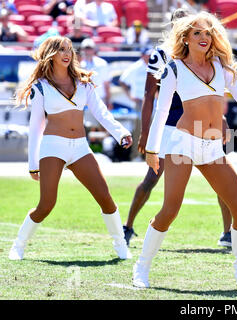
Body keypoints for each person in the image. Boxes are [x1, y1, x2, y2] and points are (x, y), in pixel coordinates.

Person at [132, 11, 237, 289]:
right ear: (185, 37)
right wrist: (152, 149)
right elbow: (162, 110)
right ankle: (142, 267)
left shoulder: (222, 67)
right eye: (196, 32)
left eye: (207, 32)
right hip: (181, 142)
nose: (203, 37)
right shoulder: (174, 68)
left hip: (212, 144)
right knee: (170, 209)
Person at [9, 36, 132, 261]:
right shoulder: (41, 87)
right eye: (61, 50)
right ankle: (19, 245)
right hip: (53, 146)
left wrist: (120, 132)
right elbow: (36, 126)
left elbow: (101, 111)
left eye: (69, 50)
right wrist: (33, 164)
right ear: (51, 54)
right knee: (46, 204)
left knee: (105, 198)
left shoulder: (84, 82)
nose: (67, 54)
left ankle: (121, 246)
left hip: (80, 147)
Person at [123, 8, 234, 249]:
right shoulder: (162, 54)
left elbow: (214, 92)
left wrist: (222, 120)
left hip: (200, 121)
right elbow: (149, 95)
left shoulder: (205, 51)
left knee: (221, 177)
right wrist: (145, 132)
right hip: (172, 120)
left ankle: (228, 232)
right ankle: (128, 225)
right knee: (152, 177)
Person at [119, 47, 151, 159]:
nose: (150, 57)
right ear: (143, 55)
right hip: (139, 102)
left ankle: (149, 155)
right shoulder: (135, 67)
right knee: (139, 129)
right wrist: (130, 96)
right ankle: (136, 155)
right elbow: (122, 81)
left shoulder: (155, 66)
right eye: (148, 55)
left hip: (152, 102)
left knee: (152, 129)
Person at [80, 38, 112, 110]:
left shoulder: (102, 63)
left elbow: (106, 84)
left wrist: (108, 100)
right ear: (82, 50)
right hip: (85, 101)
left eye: (90, 48)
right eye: (86, 48)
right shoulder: (78, 64)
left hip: (100, 99)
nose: (88, 51)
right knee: (87, 121)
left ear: (94, 50)